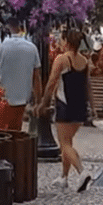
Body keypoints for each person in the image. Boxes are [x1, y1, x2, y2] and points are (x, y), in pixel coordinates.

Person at [37, 29, 92, 192]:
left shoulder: (62, 59)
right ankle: (64, 177)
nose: (59, 43)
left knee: (65, 144)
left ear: (66, 42)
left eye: (60, 40)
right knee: (68, 142)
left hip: (65, 105)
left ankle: (82, 172)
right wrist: (93, 107)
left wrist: (43, 102)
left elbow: (51, 82)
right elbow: (88, 85)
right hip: (80, 106)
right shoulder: (84, 60)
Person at [0, 17, 42, 132]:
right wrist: (38, 102)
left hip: (1, 99)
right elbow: (37, 78)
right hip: (22, 101)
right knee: (16, 133)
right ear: (21, 28)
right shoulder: (31, 48)